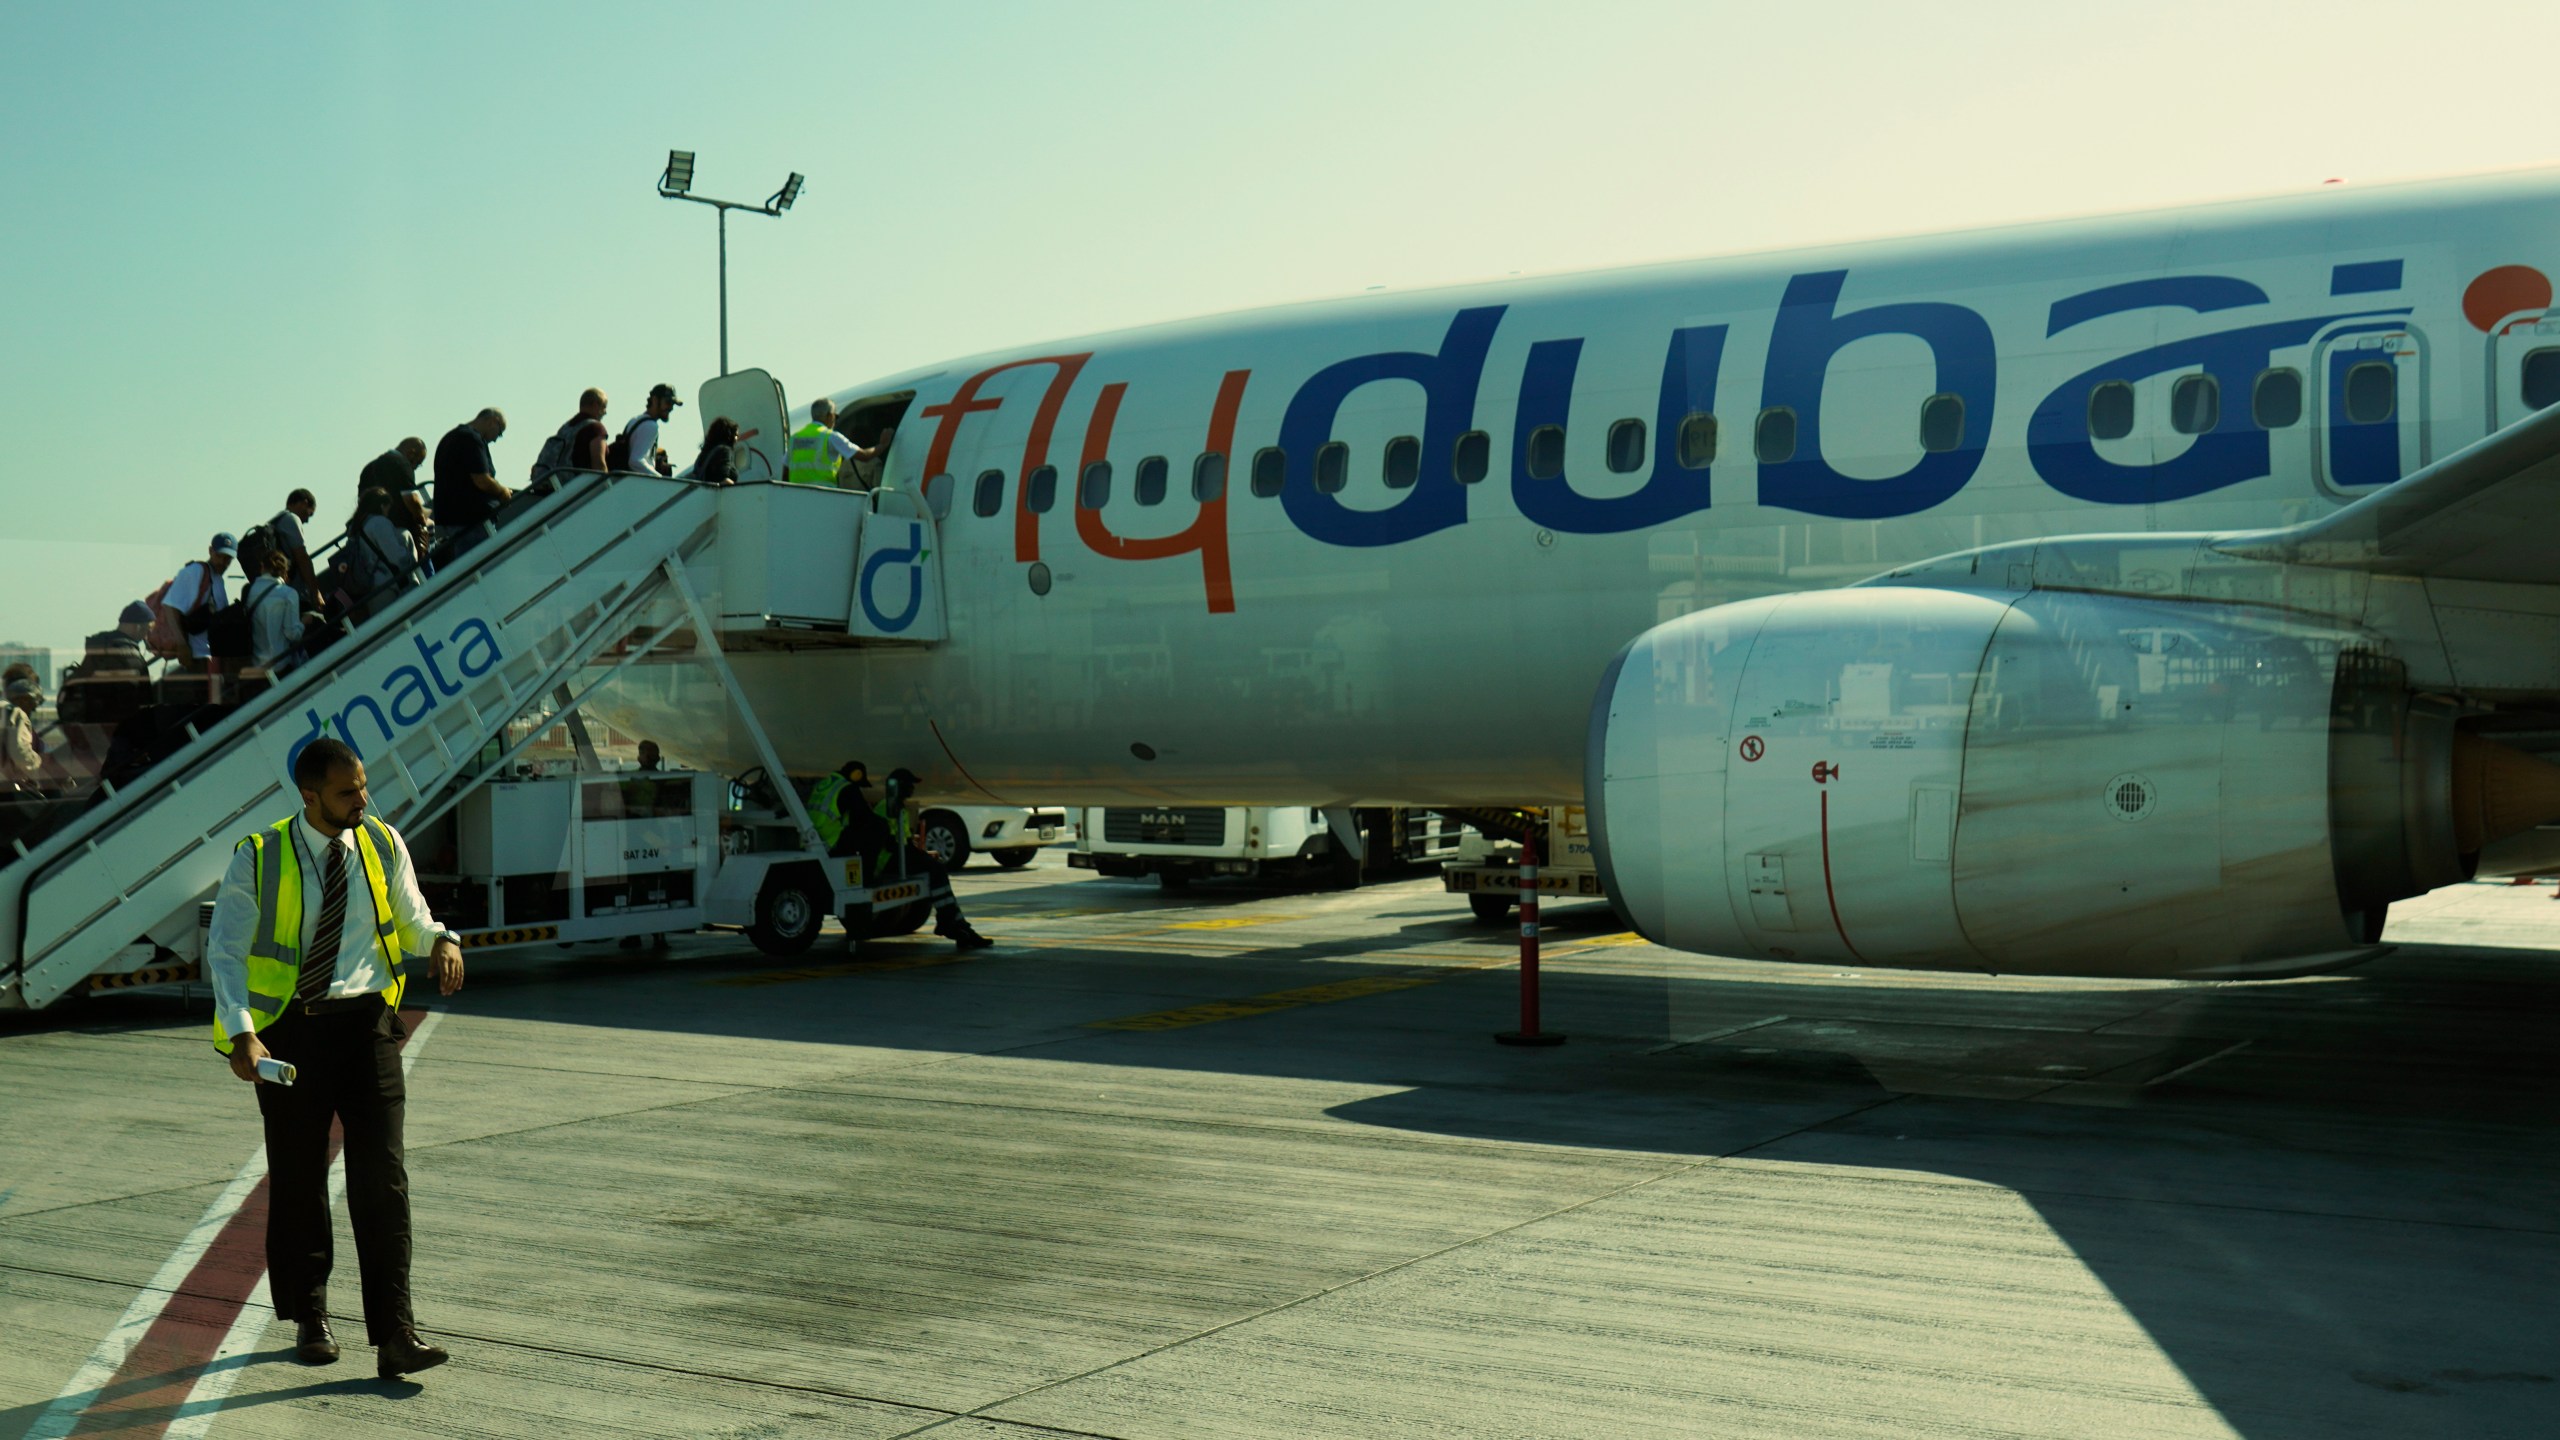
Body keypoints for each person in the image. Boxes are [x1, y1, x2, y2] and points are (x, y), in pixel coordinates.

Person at [206, 736, 464, 1379]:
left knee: (384, 1181)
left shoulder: (379, 842)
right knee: (298, 1179)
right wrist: (243, 1033)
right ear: (309, 794)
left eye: (363, 786)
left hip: (369, 1026)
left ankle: (396, 1333)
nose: (363, 799)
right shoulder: (260, 856)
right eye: (349, 791)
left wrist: (441, 940)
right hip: (291, 1032)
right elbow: (228, 953)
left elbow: (411, 916)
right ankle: (310, 1314)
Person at [822, 762, 991, 949]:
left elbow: (905, 842)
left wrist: (921, 855)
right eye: (909, 785)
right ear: (899, 786)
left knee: (934, 867)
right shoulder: (887, 808)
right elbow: (889, 843)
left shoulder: (899, 808)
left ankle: (954, 922)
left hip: (896, 856)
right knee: (936, 870)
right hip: (887, 860)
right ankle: (952, 923)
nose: (912, 789)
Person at [159, 533, 237, 708]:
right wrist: (182, 645)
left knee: (213, 708)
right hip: (195, 657)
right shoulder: (195, 572)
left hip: (210, 656)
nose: (223, 563)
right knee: (203, 708)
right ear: (210, 551)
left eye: (228, 559)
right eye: (220, 556)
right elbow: (170, 607)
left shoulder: (217, 580)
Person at [431, 410, 510, 558]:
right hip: (472, 519)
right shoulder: (471, 438)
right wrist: (502, 492)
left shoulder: (451, 437)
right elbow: (481, 479)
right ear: (493, 421)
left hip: (454, 518)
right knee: (483, 566)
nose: (496, 439)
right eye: (499, 433)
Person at [784, 399, 885, 487]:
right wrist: (882, 445)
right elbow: (864, 456)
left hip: (796, 496)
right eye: (836, 416)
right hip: (825, 495)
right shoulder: (830, 437)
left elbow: (784, 469)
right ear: (830, 415)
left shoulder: (795, 438)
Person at [244, 550, 307, 678]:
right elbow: (293, 634)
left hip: (257, 665)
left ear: (262, 567)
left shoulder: (248, 592)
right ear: (285, 571)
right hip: (281, 665)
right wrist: (304, 622)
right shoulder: (288, 593)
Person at [535, 388, 611, 484]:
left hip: (557, 484)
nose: (605, 412)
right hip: (579, 486)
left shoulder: (566, 427)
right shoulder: (596, 428)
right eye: (604, 407)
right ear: (596, 405)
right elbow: (599, 463)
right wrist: (608, 486)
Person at [615, 384, 681, 477]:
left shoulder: (635, 420)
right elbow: (635, 461)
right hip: (637, 483)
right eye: (668, 402)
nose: (671, 408)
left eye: (672, 404)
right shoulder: (650, 426)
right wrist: (660, 480)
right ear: (655, 400)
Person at [269, 489, 320, 599]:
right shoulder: (291, 519)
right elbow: (302, 557)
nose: (307, 520)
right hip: (292, 591)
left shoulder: (274, 522)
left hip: (274, 590)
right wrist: (315, 592)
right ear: (304, 503)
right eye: (309, 514)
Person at [1, 676, 43, 791]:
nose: (33, 710)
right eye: (32, 704)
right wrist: (40, 768)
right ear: (23, 700)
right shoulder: (15, 713)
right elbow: (20, 751)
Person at [359, 438, 428, 506]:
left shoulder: (369, 467)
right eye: (418, 463)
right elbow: (411, 501)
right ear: (411, 454)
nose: (415, 468)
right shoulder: (403, 465)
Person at [692, 416, 758, 485]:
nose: (736, 438)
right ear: (729, 435)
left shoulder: (702, 455)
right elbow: (723, 479)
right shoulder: (724, 450)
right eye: (735, 435)